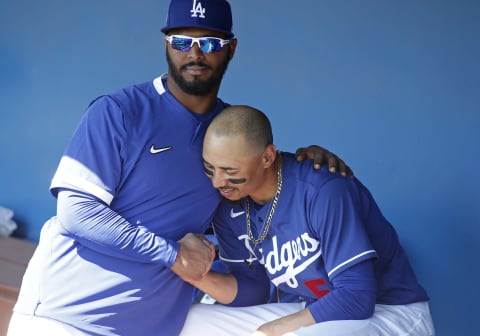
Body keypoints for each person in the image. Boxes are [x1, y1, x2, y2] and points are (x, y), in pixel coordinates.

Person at [7, 1, 351, 336]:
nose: (195, 54)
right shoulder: (119, 112)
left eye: (210, 43)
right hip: (65, 319)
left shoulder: (230, 134)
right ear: (166, 45)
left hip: (153, 327)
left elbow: (264, 179)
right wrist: (172, 254)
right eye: (183, 41)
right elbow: (76, 211)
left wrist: (305, 162)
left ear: (231, 49)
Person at [179, 105, 436, 336]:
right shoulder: (231, 204)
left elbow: (357, 297)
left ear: (268, 157)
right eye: (210, 168)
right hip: (315, 309)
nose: (216, 182)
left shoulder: (324, 190)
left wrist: (279, 327)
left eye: (229, 171)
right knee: (191, 321)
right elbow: (253, 290)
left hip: (390, 313)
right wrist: (194, 274)